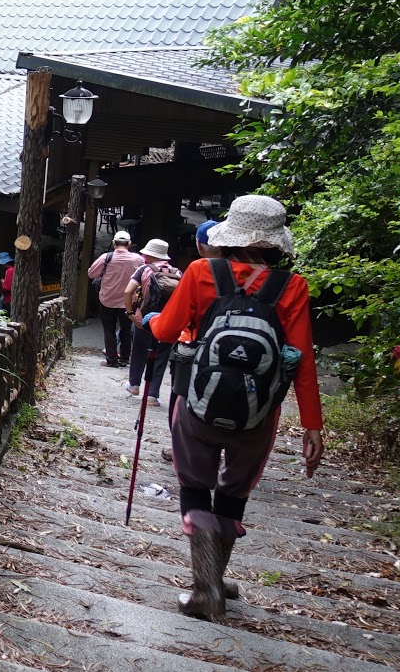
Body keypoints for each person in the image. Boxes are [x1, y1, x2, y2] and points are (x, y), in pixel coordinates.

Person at [148, 194, 323, 621]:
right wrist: (312, 426)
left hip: (197, 405)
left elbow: (167, 331)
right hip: (258, 416)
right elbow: (302, 360)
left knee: (195, 488)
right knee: (232, 495)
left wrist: (151, 320)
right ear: (275, 242)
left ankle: (206, 588)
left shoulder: (201, 272)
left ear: (232, 235)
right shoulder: (292, 286)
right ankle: (214, 579)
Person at [123, 238, 180, 404]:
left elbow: (128, 292)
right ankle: (152, 395)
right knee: (161, 356)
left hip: (144, 319)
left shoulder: (144, 269)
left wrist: (130, 313)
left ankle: (134, 384)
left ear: (150, 255)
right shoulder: (177, 273)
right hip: (167, 321)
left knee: (139, 351)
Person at [87, 230, 144, 367]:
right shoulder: (138, 259)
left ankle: (111, 359)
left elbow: (91, 273)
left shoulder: (106, 258)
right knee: (126, 329)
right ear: (129, 244)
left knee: (109, 329)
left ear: (113, 243)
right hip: (129, 301)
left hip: (108, 299)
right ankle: (124, 358)